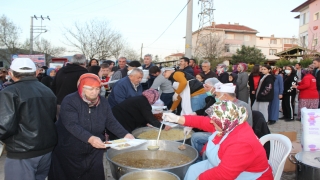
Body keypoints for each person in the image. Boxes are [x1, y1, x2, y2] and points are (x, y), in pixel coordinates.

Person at [48, 73, 134, 180]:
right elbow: (71, 124)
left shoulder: (102, 102)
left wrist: (125, 134)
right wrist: (90, 138)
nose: (94, 92)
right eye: (90, 89)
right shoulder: (70, 101)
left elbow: (110, 121)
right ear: (81, 87)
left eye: (97, 88)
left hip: (94, 149)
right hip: (70, 148)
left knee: (95, 174)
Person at [162, 101, 273, 180]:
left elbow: (224, 175)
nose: (211, 122)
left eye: (214, 120)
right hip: (225, 166)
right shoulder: (230, 124)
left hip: (246, 175)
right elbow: (202, 122)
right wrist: (177, 118)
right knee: (193, 170)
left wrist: (200, 178)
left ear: (225, 121)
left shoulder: (242, 143)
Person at [0, 58, 57, 180]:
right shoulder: (47, 91)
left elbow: (4, 126)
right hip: (45, 150)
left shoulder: (9, 92)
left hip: (21, 151)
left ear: (11, 73)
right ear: (36, 72)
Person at [51, 54, 88, 119]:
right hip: (76, 105)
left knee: (60, 126)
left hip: (60, 103)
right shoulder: (84, 73)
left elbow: (53, 86)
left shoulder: (61, 71)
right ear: (84, 63)